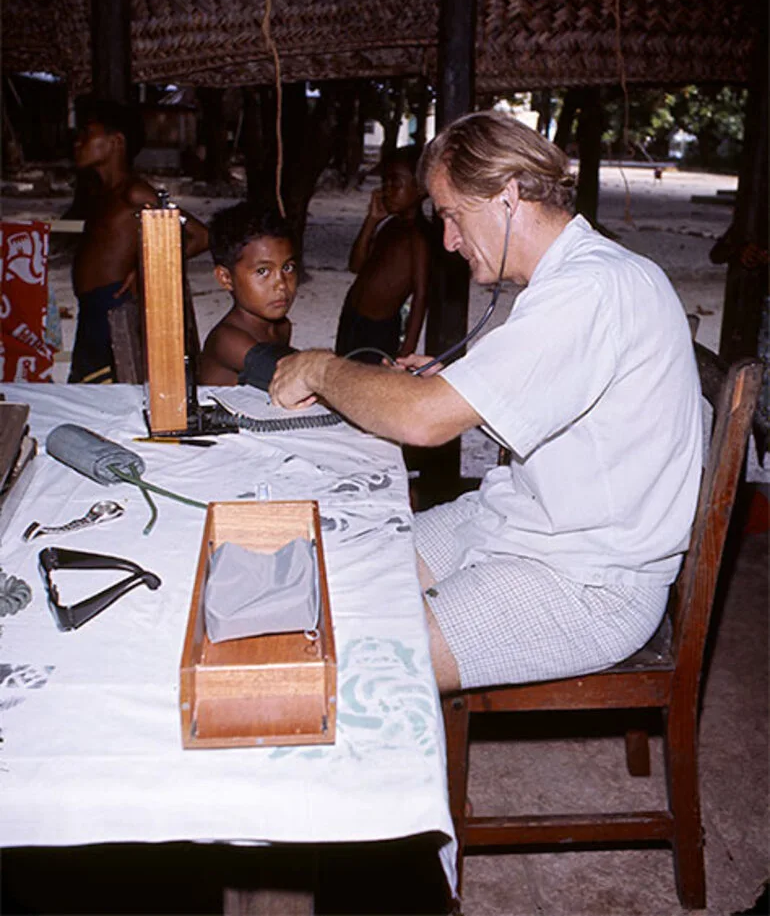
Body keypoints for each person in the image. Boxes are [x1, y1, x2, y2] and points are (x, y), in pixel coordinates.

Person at [269, 110, 703, 694]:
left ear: (508, 194)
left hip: (588, 581)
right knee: (335, 575)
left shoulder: (590, 289)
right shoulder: (580, 275)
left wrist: (320, 368)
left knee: (352, 665)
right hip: (517, 523)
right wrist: (455, 382)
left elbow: (421, 421)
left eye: (452, 215)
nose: (448, 241)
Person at [68, 97, 209, 384]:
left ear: (116, 141)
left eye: (87, 134)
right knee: (87, 388)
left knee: (104, 388)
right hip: (92, 308)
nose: (77, 142)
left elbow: (200, 236)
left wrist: (148, 267)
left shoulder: (134, 193)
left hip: (112, 306)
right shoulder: (102, 194)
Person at [335, 146, 431, 364]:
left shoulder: (418, 236)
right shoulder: (389, 226)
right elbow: (356, 266)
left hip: (379, 327)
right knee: (342, 372)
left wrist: (408, 348)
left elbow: (421, 295)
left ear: (421, 188)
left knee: (369, 380)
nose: (387, 190)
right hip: (352, 315)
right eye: (385, 183)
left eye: (396, 183)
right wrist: (371, 221)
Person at [198, 202, 299, 386]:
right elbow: (298, 376)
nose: (281, 284)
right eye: (262, 271)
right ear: (226, 278)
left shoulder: (282, 327)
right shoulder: (227, 340)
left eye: (287, 268)